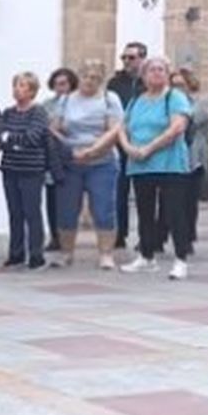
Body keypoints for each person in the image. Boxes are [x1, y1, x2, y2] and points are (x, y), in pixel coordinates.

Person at [117, 56, 193, 279]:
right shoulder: (136, 100)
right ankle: (146, 255)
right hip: (140, 165)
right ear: (143, 75)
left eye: (161, 69)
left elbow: (176, 128)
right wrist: (128, 147)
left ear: (168, 73)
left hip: (170, 164)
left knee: (174, 211)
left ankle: (180, 259)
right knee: (144, 211)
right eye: (152, 70)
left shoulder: (175, 97)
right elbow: (122, 127)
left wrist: (148, 148)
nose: (157, 73)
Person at [51, 60, 123, 269]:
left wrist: (93, 151)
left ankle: (106, 254)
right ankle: (66, 253)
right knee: (67, 208)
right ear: (78, 77)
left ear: (102, 79)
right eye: (86, 76)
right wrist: (69, 150)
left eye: (95, 78)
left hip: (102, 161)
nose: (90, 81)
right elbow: (54, 129)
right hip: (70, 161)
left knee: (103, 208)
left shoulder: (110, 100)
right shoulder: (65, 101)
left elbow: (114, 130)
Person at [0, 72, 53, 270]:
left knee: (32, 212)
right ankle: (16, 253)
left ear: (32, 91)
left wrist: (9, 139)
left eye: (22, 86)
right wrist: (11, 140)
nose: (17, 89)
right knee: (15, 212)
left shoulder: (38, 112)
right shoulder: (8, 112)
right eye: (15, 85)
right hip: (10, 168)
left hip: (31, 169)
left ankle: (36, 254)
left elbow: (33, 137)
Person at [108, 42, 148, 249]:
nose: (126, 62)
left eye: (131, 58)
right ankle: (119, 234)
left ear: (142, 59)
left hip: (144, 144)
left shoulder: (148, 83)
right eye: (124, 58)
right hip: (120, 143)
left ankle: (147, 237)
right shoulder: (115, 83)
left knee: (145, 195)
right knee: (118, 192)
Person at [171, 67, 208, 250]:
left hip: (193, 158)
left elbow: (194, 119)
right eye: (173, 85)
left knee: (189, 201)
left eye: (180, 85)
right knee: (171, 201)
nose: (177, 89)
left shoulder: (199, 102)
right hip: (171, 159)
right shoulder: (167, 102)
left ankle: (187, 237)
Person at [41, 68, 78, 252]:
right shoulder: (47, 105)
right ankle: (55, 236)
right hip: (52, 156)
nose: (60, 88)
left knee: (69, 200)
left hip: (73, 154)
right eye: (56, 84)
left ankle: (67, 237)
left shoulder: (78, 103)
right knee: (51, 198)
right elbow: (44, 127)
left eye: (63, 84)